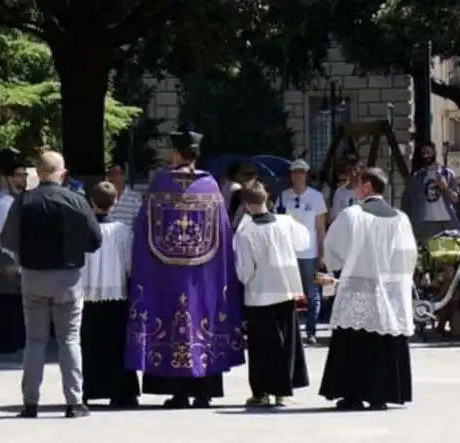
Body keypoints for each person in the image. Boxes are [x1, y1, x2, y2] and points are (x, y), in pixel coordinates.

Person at [125, 127, 245, 409]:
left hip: (165, 274)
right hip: (202, 276)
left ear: (175, 154)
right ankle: (204, 392)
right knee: (202, 320)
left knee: (167, 321)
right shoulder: (210, 186)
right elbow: (224, 232)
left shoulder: (159, 184)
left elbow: (142, 230)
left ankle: (177, 393)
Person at [0, 149, 102, 419]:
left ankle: (30, 402)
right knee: (69, 339)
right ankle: (75, 402)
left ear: (38, 173)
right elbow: (95, 240)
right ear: (62, 174)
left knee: (34, 340)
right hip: (68, 278)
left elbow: (7, 241)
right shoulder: (76, 200)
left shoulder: (23, 202)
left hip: (33, 276)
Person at [319, 167, 417, 411]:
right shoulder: (400, 219)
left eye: (358, 184)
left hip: (358, 290)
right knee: (384, 340)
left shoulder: (352, 215)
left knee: (355, 343)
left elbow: (333, 246)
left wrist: (338, 267)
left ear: (368, 187)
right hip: (389, 293)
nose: (355, 189)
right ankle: (380, 395)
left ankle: (353, 395)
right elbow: (408, 255)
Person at [234, 180, 310, 407]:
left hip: (259, 295)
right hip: (285, 290)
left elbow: (245, 270)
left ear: (247, 205)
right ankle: (282, 390)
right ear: (265, 198)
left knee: (261, 347)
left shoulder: (245, 232)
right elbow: (304, 243)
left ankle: (261, 392)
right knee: (286, 343)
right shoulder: (286, 223)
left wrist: (244, 281)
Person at [79, 181, 140, 407]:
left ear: (91, 202)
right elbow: (130, 264)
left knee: (90, 343)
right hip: (118, 293)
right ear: (115, 203)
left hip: (87, 294)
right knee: (118, 344)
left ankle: (89, 389)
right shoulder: (123, 232)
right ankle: (123, 392)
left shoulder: (83, 230)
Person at [275, 159, 328, 346]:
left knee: (313, 293)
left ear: (306, 174)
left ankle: (311, 330)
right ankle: (293, 331)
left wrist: (322, 253)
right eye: (295, 172)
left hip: (310, 252)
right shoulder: (283, 197)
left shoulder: (316, 197)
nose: (298, 176)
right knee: (290, 294)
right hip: (289, 253)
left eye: (301, 172)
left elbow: (320, 228)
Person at [0, 159, 28, 354]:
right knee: (10, 302)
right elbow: (0, 234)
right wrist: (7, 260)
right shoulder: (5, 202)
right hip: (10, 257)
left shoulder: (28, 198)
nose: (22, 179)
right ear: (10, 178)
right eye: (19, 175)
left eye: (25, 175)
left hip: (25, 258)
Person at [401, 141, 460, 241]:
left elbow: (455, 199)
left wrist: (445, 187)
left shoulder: (448, 174)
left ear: (434, 152)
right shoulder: (417, 177)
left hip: (447, 223)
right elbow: (409, 200)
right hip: (424, 224)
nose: (426, 156)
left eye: (428, 152)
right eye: (423, 153)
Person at [329, 155, 360, 222]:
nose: (354, 176)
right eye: (351, 172)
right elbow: (334, 216)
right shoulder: (340, 192)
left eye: (357, 173)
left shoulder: (364, 192)